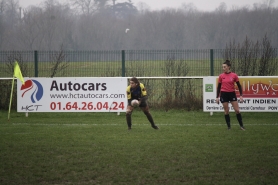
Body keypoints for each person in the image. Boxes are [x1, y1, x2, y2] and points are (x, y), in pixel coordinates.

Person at [216, 60, 245, 130]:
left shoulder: (234, 75)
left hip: (232, 94)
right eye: (222, 67)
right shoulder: (221, 76)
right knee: (226, 111)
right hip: (224, 94)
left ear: (229, 67)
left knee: (237, 110)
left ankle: (241, 126)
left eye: (225, 67)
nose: (223, 68)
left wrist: (241, 95)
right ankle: (229, 127)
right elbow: (219, 87)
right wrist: (217, 97)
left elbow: (239, 85)